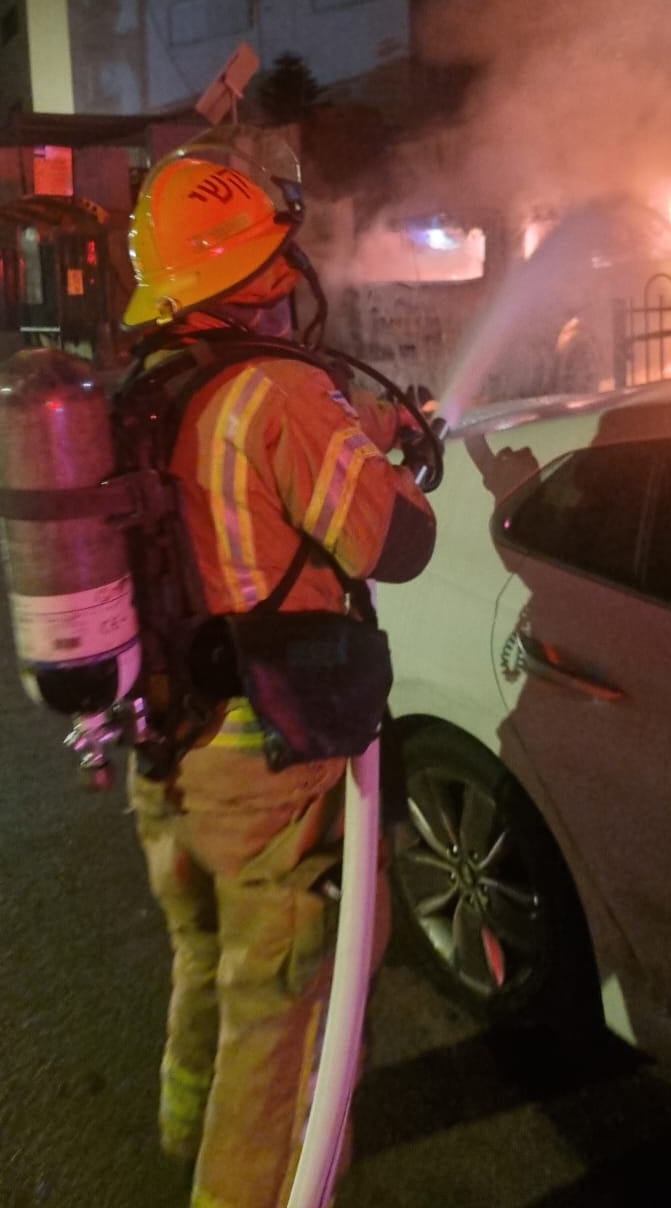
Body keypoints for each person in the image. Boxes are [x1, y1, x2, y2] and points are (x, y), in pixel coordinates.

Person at [122, 133, 437, 1208]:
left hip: (163, 748)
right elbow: (394, 542)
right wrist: (400, 468)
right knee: (290, 1004)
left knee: (206, 955)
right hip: (267, 764)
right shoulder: (277, 392)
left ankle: (182, 1120)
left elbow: (252, 486)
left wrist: (374, 427)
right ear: (257, 270)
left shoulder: (152, 386)